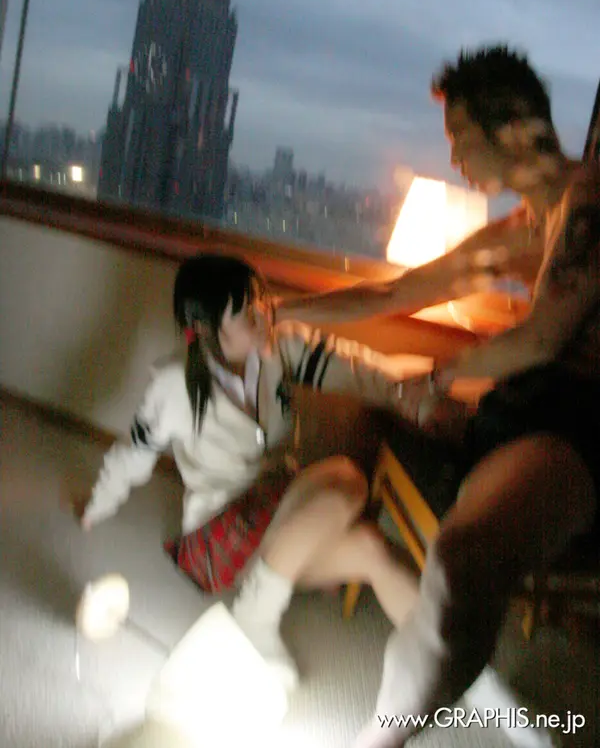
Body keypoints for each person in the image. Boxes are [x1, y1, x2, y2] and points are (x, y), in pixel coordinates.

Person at [286, 45, 600, 746]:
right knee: (369, 392)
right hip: (521, 408)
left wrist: (437, 378)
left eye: (461, 136)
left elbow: (543, 340)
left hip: (580, 429)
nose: (454, 155)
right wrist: (284, 312)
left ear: (514, 129)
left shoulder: (590, 199)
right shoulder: (522, 228)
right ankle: (317, 555)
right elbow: (398, 291)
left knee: (463, 558)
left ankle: (383, 733)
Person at [70, 253, 419, 693]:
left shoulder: (278, 348)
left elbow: (352, 367)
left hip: (281, 515)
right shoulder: (174, 384)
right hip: (224, 530)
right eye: (244, 311)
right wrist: (98, 505)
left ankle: (456, 667)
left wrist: (412, 389)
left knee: (371, 547)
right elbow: (132, 454)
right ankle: (256, 615)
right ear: (204, 329)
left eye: (260, 302)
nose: (262, 315)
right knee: (346, 479)